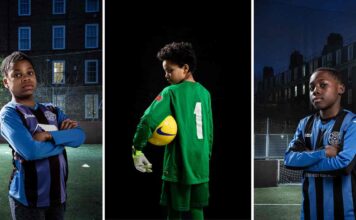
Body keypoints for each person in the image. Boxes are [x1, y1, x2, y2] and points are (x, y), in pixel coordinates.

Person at [132, 42, 213, 220]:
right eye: (165, 70)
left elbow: (147, 120)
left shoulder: (171, 92)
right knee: (197, 210)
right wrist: (205, 156)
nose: (166, 75)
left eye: (169, 70)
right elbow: (209, 132)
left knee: (175, 212)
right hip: (201, 164)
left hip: (179, 163)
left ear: (185, 68)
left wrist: (137, 149)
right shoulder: (205, 93)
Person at [0, 51, 86, 220]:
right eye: (17, 74)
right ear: (6, 82)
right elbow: (31, 151)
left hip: (58, 196)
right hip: (28, 201)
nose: (26, 78)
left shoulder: (52, 110)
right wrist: (63, 138)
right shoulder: (9, 113)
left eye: (29, 73)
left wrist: (48, 136)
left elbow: (80, 136)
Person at [284, 67, 356, 219]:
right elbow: (289, 159)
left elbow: (344, 165)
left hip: (344, 214)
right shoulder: (305, 124)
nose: (315, 91)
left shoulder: (352, 123)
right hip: (309, 214)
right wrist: (323, 153)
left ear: (340, 89)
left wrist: (304, 161)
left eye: (323, 85)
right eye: (311, 87)